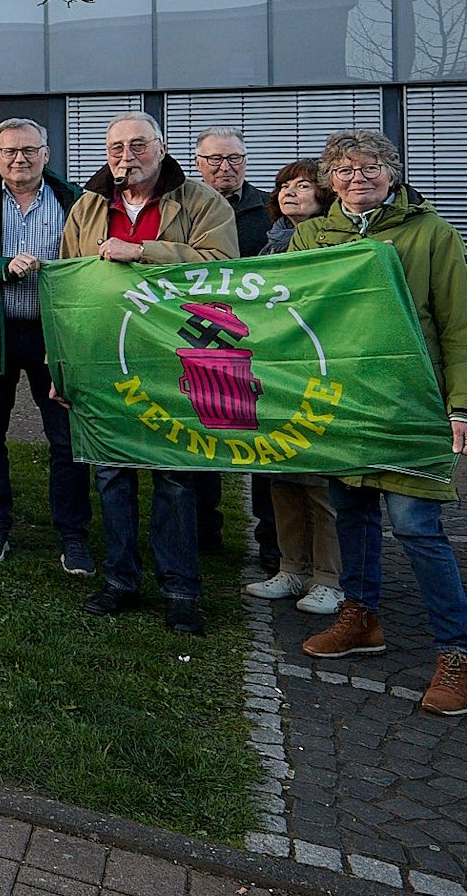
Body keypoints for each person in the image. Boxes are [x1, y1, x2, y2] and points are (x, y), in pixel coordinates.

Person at [290, 130, 467, 717]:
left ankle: (456, 652)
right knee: (353, 511)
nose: (356, 178)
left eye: (369, 168)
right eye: (343, 170)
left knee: (416, 525)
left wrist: (460, 405)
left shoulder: (432, 233)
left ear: (392, 173)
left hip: (411, 400)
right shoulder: (312, 235)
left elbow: (459, 323)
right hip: (341, 399)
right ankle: (361, 618)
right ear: (329, 180)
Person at [61, 112, 239, 636]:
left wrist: (142, 252)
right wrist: (63, 363)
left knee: (176, 478)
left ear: (161, 148)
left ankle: (180, 590)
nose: (126, 156)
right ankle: (120, 580)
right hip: (105, 357)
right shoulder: (89, 206)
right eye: (116, 147)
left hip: (173, 356)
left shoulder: (203, 202)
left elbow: (221, 264)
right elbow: (69, 288)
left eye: (138, 145)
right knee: (112, 473)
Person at [0, 118, 93, 571]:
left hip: (55, 334)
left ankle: (73, 533)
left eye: (29, 150)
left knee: (65, 437)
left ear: (46, 154)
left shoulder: (75, 201)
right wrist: (1, 267)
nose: (19, 158)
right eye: (9, 151)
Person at [243, 162, 342, 617]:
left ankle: (330, 578)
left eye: (303, 185)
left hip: (318, 367)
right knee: (281, 474)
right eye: (284, 185)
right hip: (276, 368)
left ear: (324, 194)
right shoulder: (272, 241)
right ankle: (291, 568)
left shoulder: (333, 240)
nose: (290, 192)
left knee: (320, 481)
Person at [190, 126, 276, 565]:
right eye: (215, 159)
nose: (225, 167)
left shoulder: (270, 208)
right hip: (198, 336)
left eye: (234, 158)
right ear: (198, 163)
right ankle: (203, 533)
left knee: (265, 438)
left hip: (259, 339)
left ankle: (272, 543)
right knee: (198, 435)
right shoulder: (185, 208)